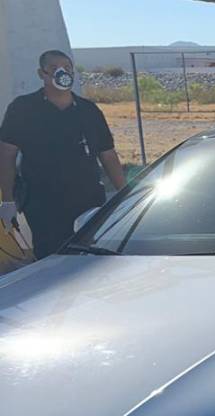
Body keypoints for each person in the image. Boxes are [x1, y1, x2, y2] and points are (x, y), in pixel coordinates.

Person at [0, 49, 126, 259]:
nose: (62, 72)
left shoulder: (88, 110)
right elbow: (6, 156)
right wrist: (8, 201)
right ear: (42, 74)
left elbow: (108, 155)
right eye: (54, 68)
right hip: (43, 204)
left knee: (91, 259)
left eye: (67, 68)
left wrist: (125, 195)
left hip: (87, 202)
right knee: (52, 261)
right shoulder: (23, 109)